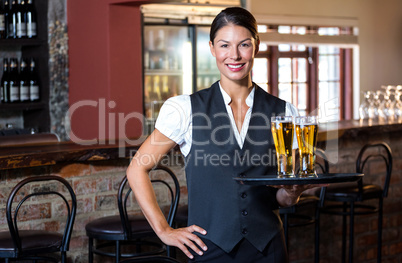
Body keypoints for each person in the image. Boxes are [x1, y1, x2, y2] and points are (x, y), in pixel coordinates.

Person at [127, 6, 315, 262]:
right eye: (224, 45)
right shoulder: (184, 109)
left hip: (268, 249)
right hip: (207, 250)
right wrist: (164, 230)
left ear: (256, 46)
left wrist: (293, 192)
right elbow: (137, 168)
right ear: (212, 48)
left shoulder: (284, 112)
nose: (234, 55)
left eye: (244, 45)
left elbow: (282, 198)